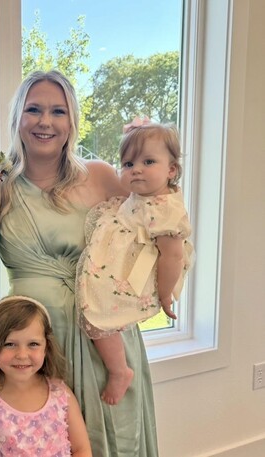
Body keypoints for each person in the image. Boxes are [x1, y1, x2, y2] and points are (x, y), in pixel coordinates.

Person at [0, 70, 159, 456]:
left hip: (104, 334)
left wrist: (147, 152)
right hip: (36, 344)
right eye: (34, 110)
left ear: (72, 121)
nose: (45, 121)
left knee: (112, 441)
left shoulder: (99, 175)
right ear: (17, 117)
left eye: (58, 111)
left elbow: (153, 226)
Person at [75, 118, 194, 406]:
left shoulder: (166, 210)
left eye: (148, 161)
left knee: (98, 316)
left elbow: (172, 257)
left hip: (135, 274)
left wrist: (165, 294)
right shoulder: (144, 195)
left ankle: (119, 370)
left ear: (172, 170)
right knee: (96, 311)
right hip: (118, 261)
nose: (136, 169)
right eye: (128, 164)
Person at [0, 295, 92, 457]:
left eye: (33, 344)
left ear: (46, 347)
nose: (22, 355)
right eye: (9, 344)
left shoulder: (61, 393)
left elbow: (82, 449)